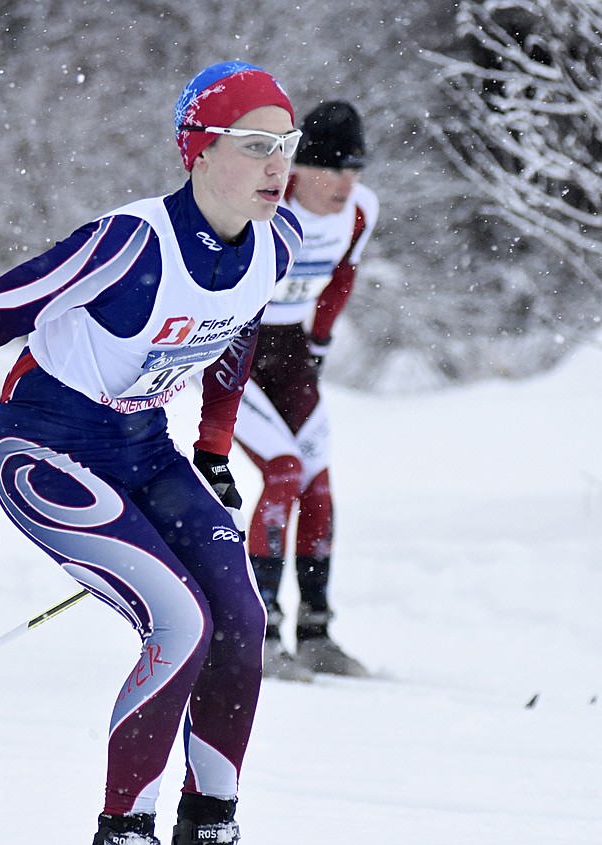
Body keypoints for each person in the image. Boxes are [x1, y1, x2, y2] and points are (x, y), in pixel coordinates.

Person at [0, 61, 303, 845]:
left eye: (287, 144)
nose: (278, 164)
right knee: (180, 621)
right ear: (198, 150)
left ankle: (209, 823)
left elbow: (235, 328)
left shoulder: (276, 244)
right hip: (42, 449)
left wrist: (215, 447)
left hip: (146, 450)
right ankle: (123, 831)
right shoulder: (130, 242)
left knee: (240, 617)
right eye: (256, 143)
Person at [232, 101, 378, 681]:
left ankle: (316, 632)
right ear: (298, 167)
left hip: (291, 353)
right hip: (235, 353)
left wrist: (318, 343)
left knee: (317, 480)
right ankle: (260, 631)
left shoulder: (360, 212)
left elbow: (341, 277)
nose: (345, 183)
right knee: (284, 471)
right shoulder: (266, 205)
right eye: (331, 168)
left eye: (355, 168)